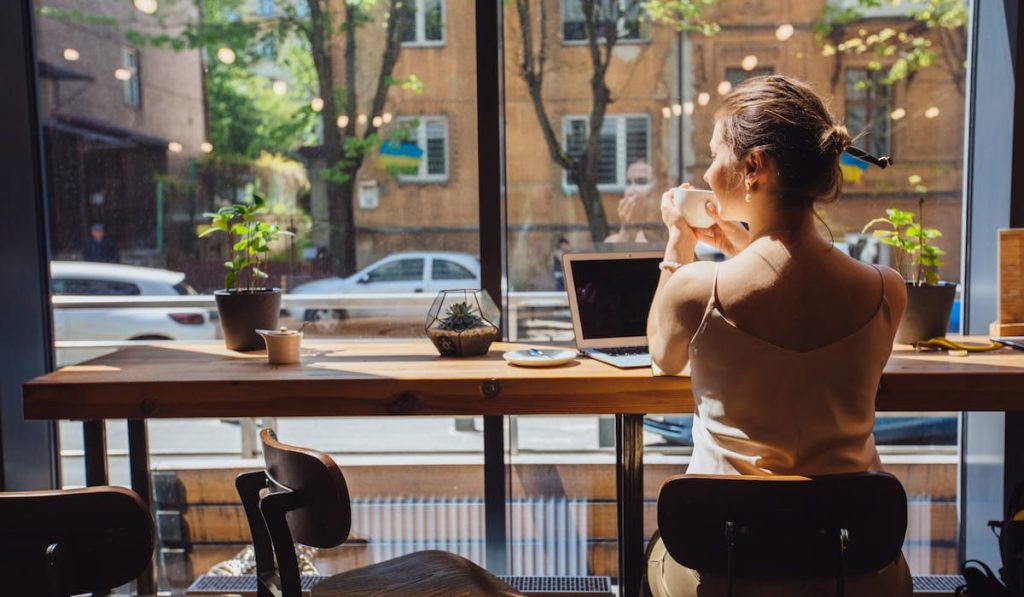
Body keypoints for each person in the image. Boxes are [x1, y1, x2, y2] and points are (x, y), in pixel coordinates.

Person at [645, 75, 910, 596]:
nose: (706, 170)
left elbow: (663, 355)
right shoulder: (886, 291)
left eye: (716, 151)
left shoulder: (699, 289)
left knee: (652, 552)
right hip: (852, 565)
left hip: (726, 567)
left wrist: (678, 243)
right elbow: (797, 300)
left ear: (754, 167)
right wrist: (738, 250)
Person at [604, 159, 665, 244]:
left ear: (660, 190)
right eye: (628, 182)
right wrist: (627, 231)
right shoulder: (612, 242)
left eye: (641, 181)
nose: (630, 191)